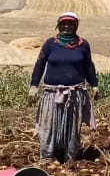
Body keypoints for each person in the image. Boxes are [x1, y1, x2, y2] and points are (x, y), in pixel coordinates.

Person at [29, 11, 99, 162]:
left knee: (72, 127)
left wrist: (94, 85)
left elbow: (88, 67)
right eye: (63, 24)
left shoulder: (83, 45)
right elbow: (40, 64)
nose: (66, 26)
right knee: (49, 125)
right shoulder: (50, 44)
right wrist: (34, 85)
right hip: (51, 93)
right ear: (58, 25)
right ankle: (47, 157)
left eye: (70, 24)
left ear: (75, 26)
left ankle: (70, 158)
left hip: (75, 94)